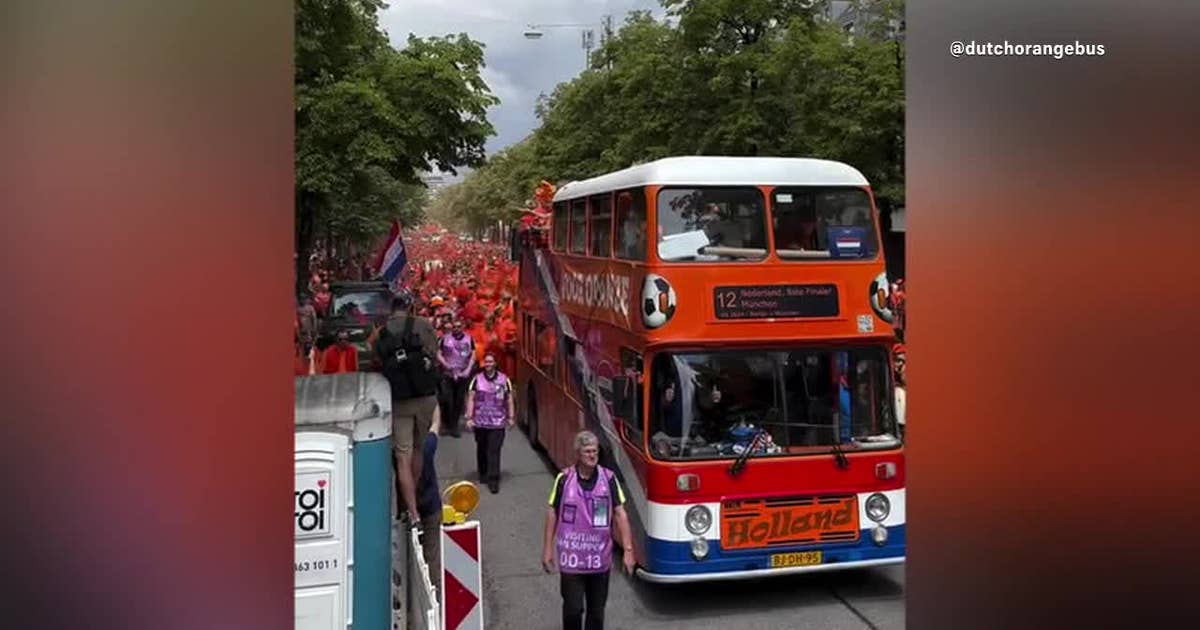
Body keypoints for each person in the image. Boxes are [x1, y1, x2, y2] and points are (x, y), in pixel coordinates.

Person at [543, 431, 636, 630]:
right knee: (573, 609)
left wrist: (628, 551)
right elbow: (552, 513)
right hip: (572, 560)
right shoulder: (563, 479)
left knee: (596, 612)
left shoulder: (609, 479)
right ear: (578, 454)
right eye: (587, 452)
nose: (592, 455)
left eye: (595, 451)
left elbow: (621, 514)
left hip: (599, 561)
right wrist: (547, 550)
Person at [374, 293, 441, 525]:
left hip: (398, 399)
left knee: (403, 456)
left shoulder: (380, 332)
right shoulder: (423, 325)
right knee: (419, 451)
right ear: (408, 307)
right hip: (424, 397)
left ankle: (412, 512)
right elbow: (434, 354)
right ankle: (416, 497)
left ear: (391, 310)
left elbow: (376, 361)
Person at [465, 353, 514, 494]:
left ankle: (494, 479)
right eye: (486, 362)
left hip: (498, 422)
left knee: (494, 450)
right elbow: (471, 398)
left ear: (495, 363)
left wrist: (511, 417)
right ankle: (483, 472)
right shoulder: (476, 380)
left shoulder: (504, 380)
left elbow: (509, 399)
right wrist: (469, 417)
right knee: (482, 448)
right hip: (480, 422)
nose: (488, 364)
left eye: (491, 362)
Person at [417, 407, 443, 594]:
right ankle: (435, 594)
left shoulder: (401, 453)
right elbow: (435, 425)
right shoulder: (426, 445)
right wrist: (434, 406)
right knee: (432, 555)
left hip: (411, 510)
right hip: (431, 507)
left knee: (413, 554)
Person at [437, 319, 475, 438]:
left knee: (458, 401)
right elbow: (438, 353)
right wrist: (446, 365)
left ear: (462, 327)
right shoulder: (445, 339)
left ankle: (454, 426)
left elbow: (473, 355)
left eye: (458, 326)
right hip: (448, 374)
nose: (456, 329)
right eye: (454, 327)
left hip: (463, 374)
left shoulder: (469, 339)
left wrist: (468, 369)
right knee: (447, 399)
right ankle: (446, 424)